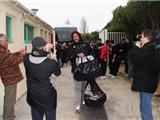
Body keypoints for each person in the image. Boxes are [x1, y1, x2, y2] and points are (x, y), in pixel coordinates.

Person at [23, 37, 61, 120]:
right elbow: (58, 73)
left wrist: (45, 51)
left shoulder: (25, 58)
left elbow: (32, 55)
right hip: (47, 98)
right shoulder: (51, 62)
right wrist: (53, 57)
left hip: (33, 96)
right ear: (43, 48)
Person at [128, 29, 160, 120]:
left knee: (145, 108)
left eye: (141, 36)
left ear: (146, 38)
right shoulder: (153, 48)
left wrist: (136, 47)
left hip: (146, 85)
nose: (140, 38)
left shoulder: (147, 50)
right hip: (149, 83)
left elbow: (131, 57)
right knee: (145, 107)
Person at [0, 33, 26, 120]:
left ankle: (10, 115)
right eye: (6, 40)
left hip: (9, 78)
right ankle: (8, 117)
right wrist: (23, 55)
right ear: (1, 41)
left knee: (10, 98)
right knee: (9, 99)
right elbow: (14, 60)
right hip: (9, 78)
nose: (7, 41)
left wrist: (19, 52)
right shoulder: (2, 51)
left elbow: (11, 56)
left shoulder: (3, 49)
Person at [67, 31, 92, 112]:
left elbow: (91, 53)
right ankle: (78, 105)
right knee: (77, 88)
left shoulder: (86, 44)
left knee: (84, 87)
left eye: (76, 36)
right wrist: (76, 55)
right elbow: (68, 56)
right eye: (73, 37)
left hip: (85, 69)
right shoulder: (71, 46)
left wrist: (85, 54)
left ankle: (84, 99)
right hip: (76, 70)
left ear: (79, 36)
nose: (75, 38)